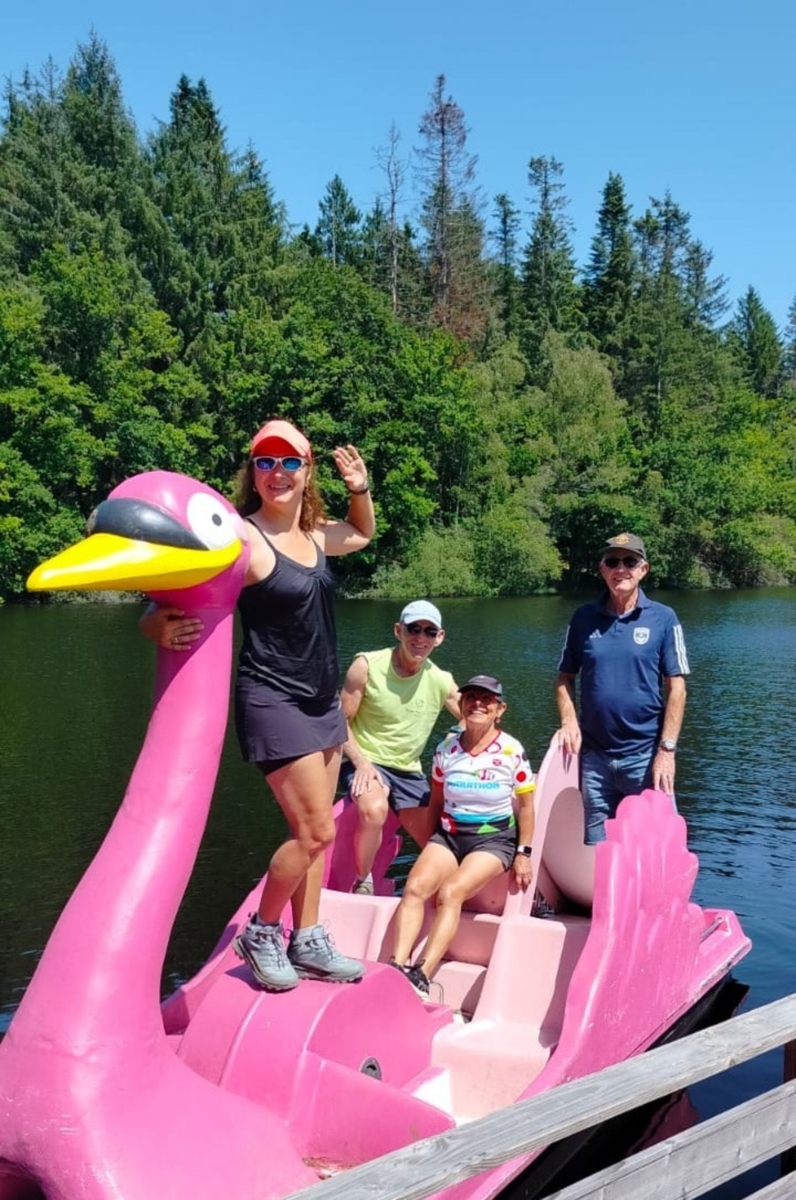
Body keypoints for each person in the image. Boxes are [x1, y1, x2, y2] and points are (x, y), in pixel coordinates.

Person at [140, 418, 375, 991]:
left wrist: (360, 489)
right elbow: (167, 593)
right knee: (316, 831)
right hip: (273, 699)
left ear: (307, 471)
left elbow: (361, 534)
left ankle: (308, 939)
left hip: (321, 701)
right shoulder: (241, 539)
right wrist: (153, 624)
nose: (278, 472)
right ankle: (264, 930)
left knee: (312, 830)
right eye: (265, 462)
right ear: (253, 473)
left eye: (290, 462)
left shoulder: (315, 536)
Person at [389, 676, 536, 997]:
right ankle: (395, 967)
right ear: (462, 704)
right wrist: (430, 845)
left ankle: (422, 975)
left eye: (487, 699)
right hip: (449, 835)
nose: (477, 704)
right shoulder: (446, 750)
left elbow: (526, 807)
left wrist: (523, 853)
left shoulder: (512, 750)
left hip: (493, 840)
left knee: (450, 892)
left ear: (500, 709)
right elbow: (436, 802)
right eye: (470, 698)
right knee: (414, 887)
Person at [555, 532, 690, 846]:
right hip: (595, 761)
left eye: (630, 561)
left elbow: (677, 688)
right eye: (612, 561)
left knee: (657, 848)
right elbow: (564, 678)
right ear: (602, 569)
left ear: (644, 569)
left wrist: (667, 751)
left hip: (646, 757)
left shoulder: (664, 618)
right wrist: (569, 720)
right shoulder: (583, 618)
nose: (621, 569)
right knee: (598, 853)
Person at [340, 600, 461, 894]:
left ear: (440, 637)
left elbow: (474, 718)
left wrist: (455, 739)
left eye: (429, 632)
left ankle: (449, 896)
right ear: (398, 630)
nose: (420, 638)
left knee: (439, 842)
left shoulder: (440, 679)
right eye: (414, 629)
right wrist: (362, 763)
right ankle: (363, 882)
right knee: (375, 809)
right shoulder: (366, 665)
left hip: (408, 771)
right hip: (365, 761)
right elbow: (338, 722)